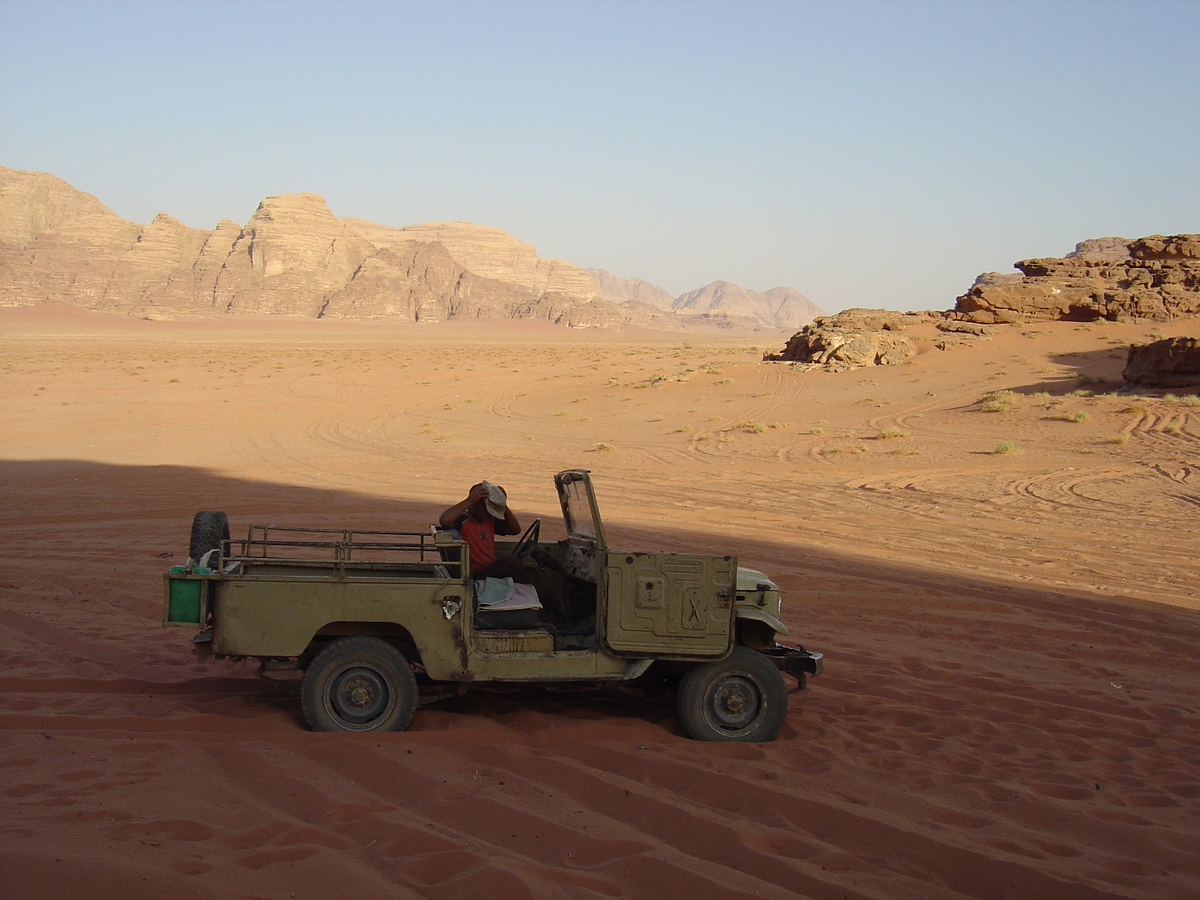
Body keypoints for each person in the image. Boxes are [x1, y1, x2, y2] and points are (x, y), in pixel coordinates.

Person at [438, 481, 523, 578]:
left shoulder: (489, 521)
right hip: (475, 573)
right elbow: (444, 520)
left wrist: (502, 503)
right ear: (474, 505)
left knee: (515, 563)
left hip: (489, 568)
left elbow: (515, 530)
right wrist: (469, 500)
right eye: (485, 508)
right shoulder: (463, 521)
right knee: (513, 563)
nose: (489, 512)